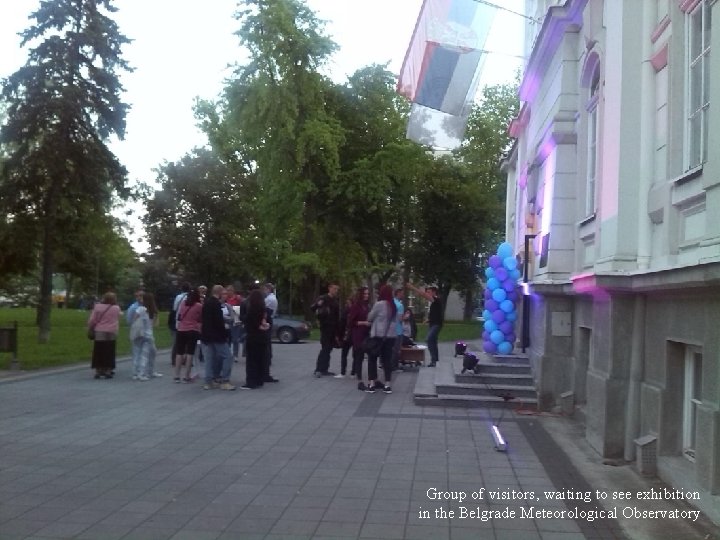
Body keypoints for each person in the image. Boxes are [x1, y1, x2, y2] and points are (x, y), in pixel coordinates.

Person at [201, 285, 235, 391]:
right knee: (227, 356)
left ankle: (208, 382)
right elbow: (218, 322)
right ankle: (225, 380)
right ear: (219, 292)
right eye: (223, 292)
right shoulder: (216, 304)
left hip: (207, 335)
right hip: (217, 335)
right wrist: (224, 332)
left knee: (210, 359)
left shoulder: (206, 303)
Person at [366, 284, 398, 393]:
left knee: (372, 359)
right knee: (387, 360)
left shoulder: (379, 304)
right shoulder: (394, 306)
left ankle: (372, 384)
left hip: (378, 336)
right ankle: (387, 385)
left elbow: (370, 318)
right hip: (390, 337)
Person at [241, 289, 271, 389]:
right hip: (262, 337)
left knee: (251, 361)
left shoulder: (251, 311)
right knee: (260, 359)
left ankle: (251, 382)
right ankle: (259, 379)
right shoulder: (263, 309)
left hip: (253, 337)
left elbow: (248, 322)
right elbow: (265, 322)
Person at [87, 292, 122, 379]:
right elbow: (118, 317)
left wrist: (90, 327)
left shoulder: (98, 307)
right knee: (110, 350)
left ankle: (99, 370)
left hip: (100, 330)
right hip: (112, 331)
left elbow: (92, 320)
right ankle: (108, 370)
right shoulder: (116, 308)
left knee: (99, 350)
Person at [408, 283, 443, 366]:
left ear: (434, 292)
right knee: (433, 341)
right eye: (427, 292)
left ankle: (434, 359)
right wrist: (428, 320)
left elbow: (423, 294)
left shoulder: (435, 299)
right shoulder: (434, 303)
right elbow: (436, 313)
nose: (427, 294)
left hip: (436, 324)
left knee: (429, 339)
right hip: (433, 323)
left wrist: (413, 287)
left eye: (429, 292)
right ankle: (434, 360)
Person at [312, 282, 341, 377]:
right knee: (325, 348)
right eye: (334, 289)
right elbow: (313, 308)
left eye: (337, 289)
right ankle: (318, 369)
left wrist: (337, 330)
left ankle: (325, 369)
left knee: (329, 348)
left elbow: (337, 316)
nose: (336, 291)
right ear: (330, 288)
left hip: (333, 327)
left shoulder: (336, 301)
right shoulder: (323, 298)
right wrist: (317, 304)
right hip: (325, 326)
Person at [130, 292, 161, 381]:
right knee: (150, 354)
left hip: (139, 334)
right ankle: (146, 372)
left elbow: (134, 319)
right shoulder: (153, 311)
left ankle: (137, 373)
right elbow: (156, 325)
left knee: (137, 353)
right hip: (148, 335)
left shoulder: (140, 309)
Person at [174, 288, 202, 383]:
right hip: (192, 330)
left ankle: (177, 375)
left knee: (179, 353)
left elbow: (180, 315)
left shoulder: (183, 303)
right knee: (190, 353)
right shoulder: (198, 305)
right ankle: (187, 376)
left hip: (181, 330)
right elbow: (200, 317)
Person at [347, 287, 372, 392]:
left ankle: (370, 379)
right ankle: (360, 381)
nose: (366, 296)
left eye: (367, 294)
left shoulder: (366, 306)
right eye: (365, 294)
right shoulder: (356, 306)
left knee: (368, 356)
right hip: (358, 335)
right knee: (359, 357)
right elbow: (350, 322)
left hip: (366, 334)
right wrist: (363, 322)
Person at [335, 298, 353, 378]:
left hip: (346, 335)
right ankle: (353, 372)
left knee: (344, 354)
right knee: (355, 355)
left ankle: (343, 372)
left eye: (348, 302)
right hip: (354, 335)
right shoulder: (356, 310)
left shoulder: (345, 312)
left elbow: (341, 324)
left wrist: (338, 335)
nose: (347, 304)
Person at [392, 287, 405, 371]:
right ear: (398, 294)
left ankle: (386, 364)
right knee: (396, 349)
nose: (403, 295)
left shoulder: (391, 303)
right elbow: (400, 319)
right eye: (402, 293)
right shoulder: (400, 305)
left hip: (390, 329)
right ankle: (395, 366)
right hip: (398, 330)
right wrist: (405, 317)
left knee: (391, 348)